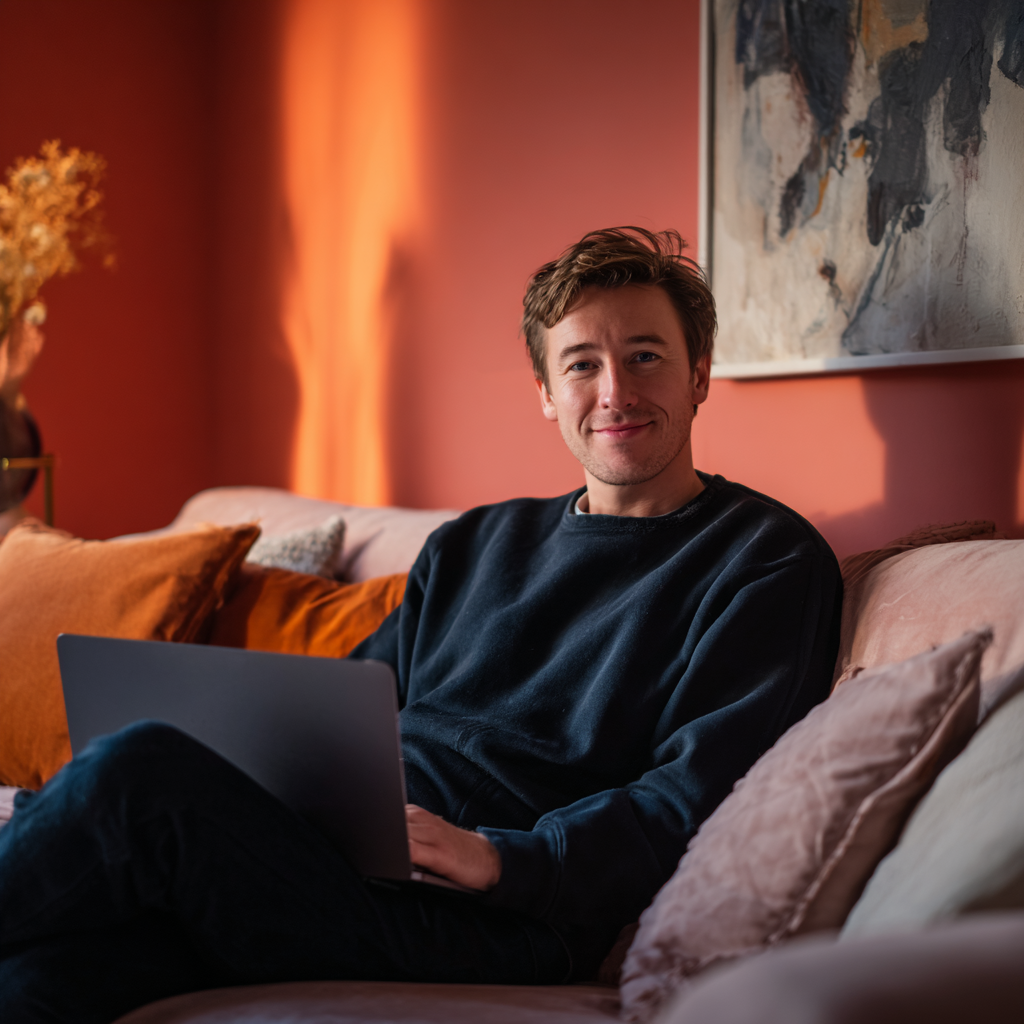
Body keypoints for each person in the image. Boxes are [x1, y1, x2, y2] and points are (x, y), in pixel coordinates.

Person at [0, 228, 842, 1022]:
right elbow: (340, 712)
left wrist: (504, 859)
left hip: (496, 914)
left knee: (140, 774)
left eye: (645, 357)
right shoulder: (477, 543)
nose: (614, 391)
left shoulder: (764, 561)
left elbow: (695, 797)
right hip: (345, 860)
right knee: (43, 976)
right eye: (582, 364)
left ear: (699, 373)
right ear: (547, 394)